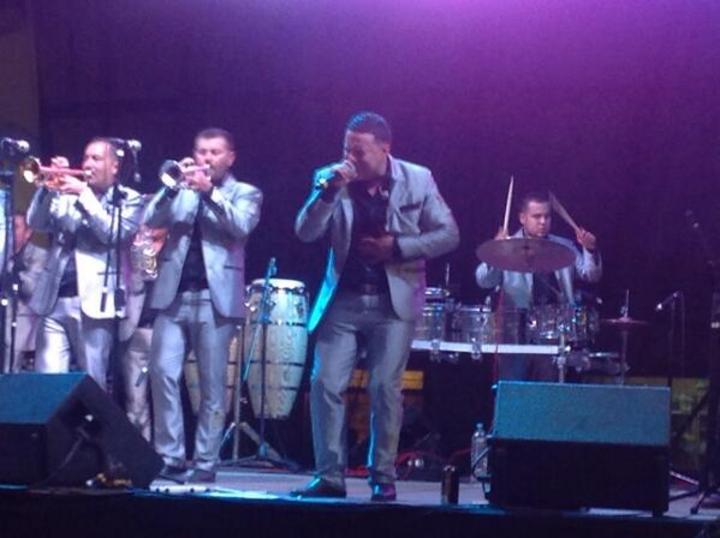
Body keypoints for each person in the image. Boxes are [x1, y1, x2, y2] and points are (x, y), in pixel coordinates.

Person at [293, 111, 459, 501]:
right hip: (343, 299)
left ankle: (383, 476)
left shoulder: (418, 178)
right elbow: (305, 232)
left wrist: (396, 247)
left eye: (359, 151)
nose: (350, 158)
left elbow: (449, 234)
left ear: (385, 148)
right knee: (324, 383)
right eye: (346, 149)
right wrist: (327, 193)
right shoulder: (330, 178)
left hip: (392, 301)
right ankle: (329, 476)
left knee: (385, 388)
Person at [143, 128, 262, 483]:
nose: (205, 159)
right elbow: (150, 219)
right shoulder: (181, 189)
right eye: (200, 152)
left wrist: (209, 192)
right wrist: (171, 187)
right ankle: (170, 456)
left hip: (215, 298)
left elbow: (240, 226)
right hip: (173, 294)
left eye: (214, 152)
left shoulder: (246, 192)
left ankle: (206, 462)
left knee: (211, 385)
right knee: (162, 373)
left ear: (230, 158)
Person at [27, 138, 142, 389]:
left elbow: (112, 234)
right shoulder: (67, 195)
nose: (88, 164)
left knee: (92, 383)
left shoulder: (129, 199)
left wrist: (84, 194)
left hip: (93, 302)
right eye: (86, 158)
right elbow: (36, 223)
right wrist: (47, 188)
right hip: (53, 298)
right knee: (47, 385)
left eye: (96, 158)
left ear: (114, 166)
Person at [475, 191, 602, 381]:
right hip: (515, 333)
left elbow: (591, 275)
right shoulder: (507, 247)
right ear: (522, 218)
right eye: (537, 216)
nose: (543, 222)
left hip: (554, 334)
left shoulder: (564, 247)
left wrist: (589, 250)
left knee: (547, 392)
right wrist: (496, 251)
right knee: (514, 390)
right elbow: (483, 280)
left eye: (547, 216)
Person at [119, 220, 168, 441]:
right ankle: (141, 450)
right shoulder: (136, 247)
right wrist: (141, 246)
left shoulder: (176, 251)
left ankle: (167, 452)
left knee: (166, 397)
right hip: (137, 331)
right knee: (135, 402)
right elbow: (143, 277)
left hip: (167, 333)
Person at [3, 212, 48, 373]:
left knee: (9, 345)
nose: (10, 232)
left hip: (23, 316)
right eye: (7, 227)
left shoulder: (39, 255)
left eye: (15, 227)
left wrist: (7, 267)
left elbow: (31, 288)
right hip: (4, 314)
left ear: (28, 233)